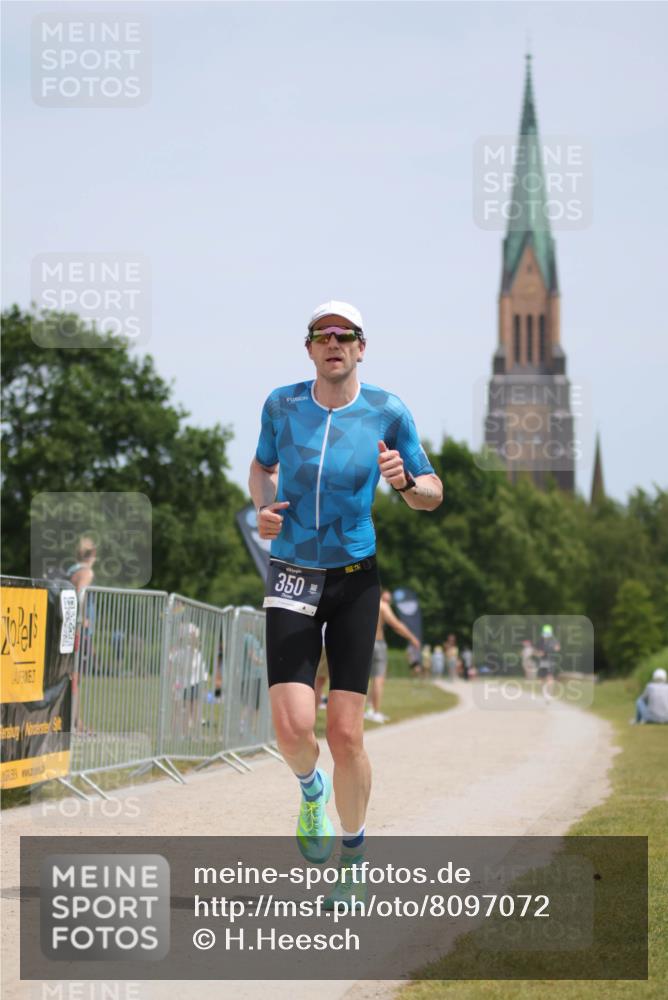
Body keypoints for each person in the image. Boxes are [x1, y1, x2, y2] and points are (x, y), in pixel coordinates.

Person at [249, 299, 443, 905]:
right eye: (322, 335)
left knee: (346, 736)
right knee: (292, 729)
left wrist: (404, 482)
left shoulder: (388, 411)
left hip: (355, 580)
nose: (333, 343)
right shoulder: (282, 405)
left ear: (362, 346)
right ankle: (312, 792)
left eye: (345, 334)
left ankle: (353, 858)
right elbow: (261, 468)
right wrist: (263, 507)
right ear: (308, 348)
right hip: (292, 573)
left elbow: (433, 492)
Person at [366, 590, 420, 724]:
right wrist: (412, 638)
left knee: (367, 679)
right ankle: (375, 712)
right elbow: (396, 625)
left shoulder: (365, 603)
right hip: (377, 643)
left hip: (364, 643)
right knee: (379, 679)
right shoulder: (383, 606)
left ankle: (369, 709)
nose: (387, 602)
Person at [535, 624, 561, 702]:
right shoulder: (540, 641)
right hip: (542, 661)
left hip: (550, 661)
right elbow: (537, 652)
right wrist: (539, 653)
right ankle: (545, 692)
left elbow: (557, 648)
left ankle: (549, 693)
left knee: (550, 677)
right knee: (541, 678)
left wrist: (553, 648)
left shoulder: (553, 641)